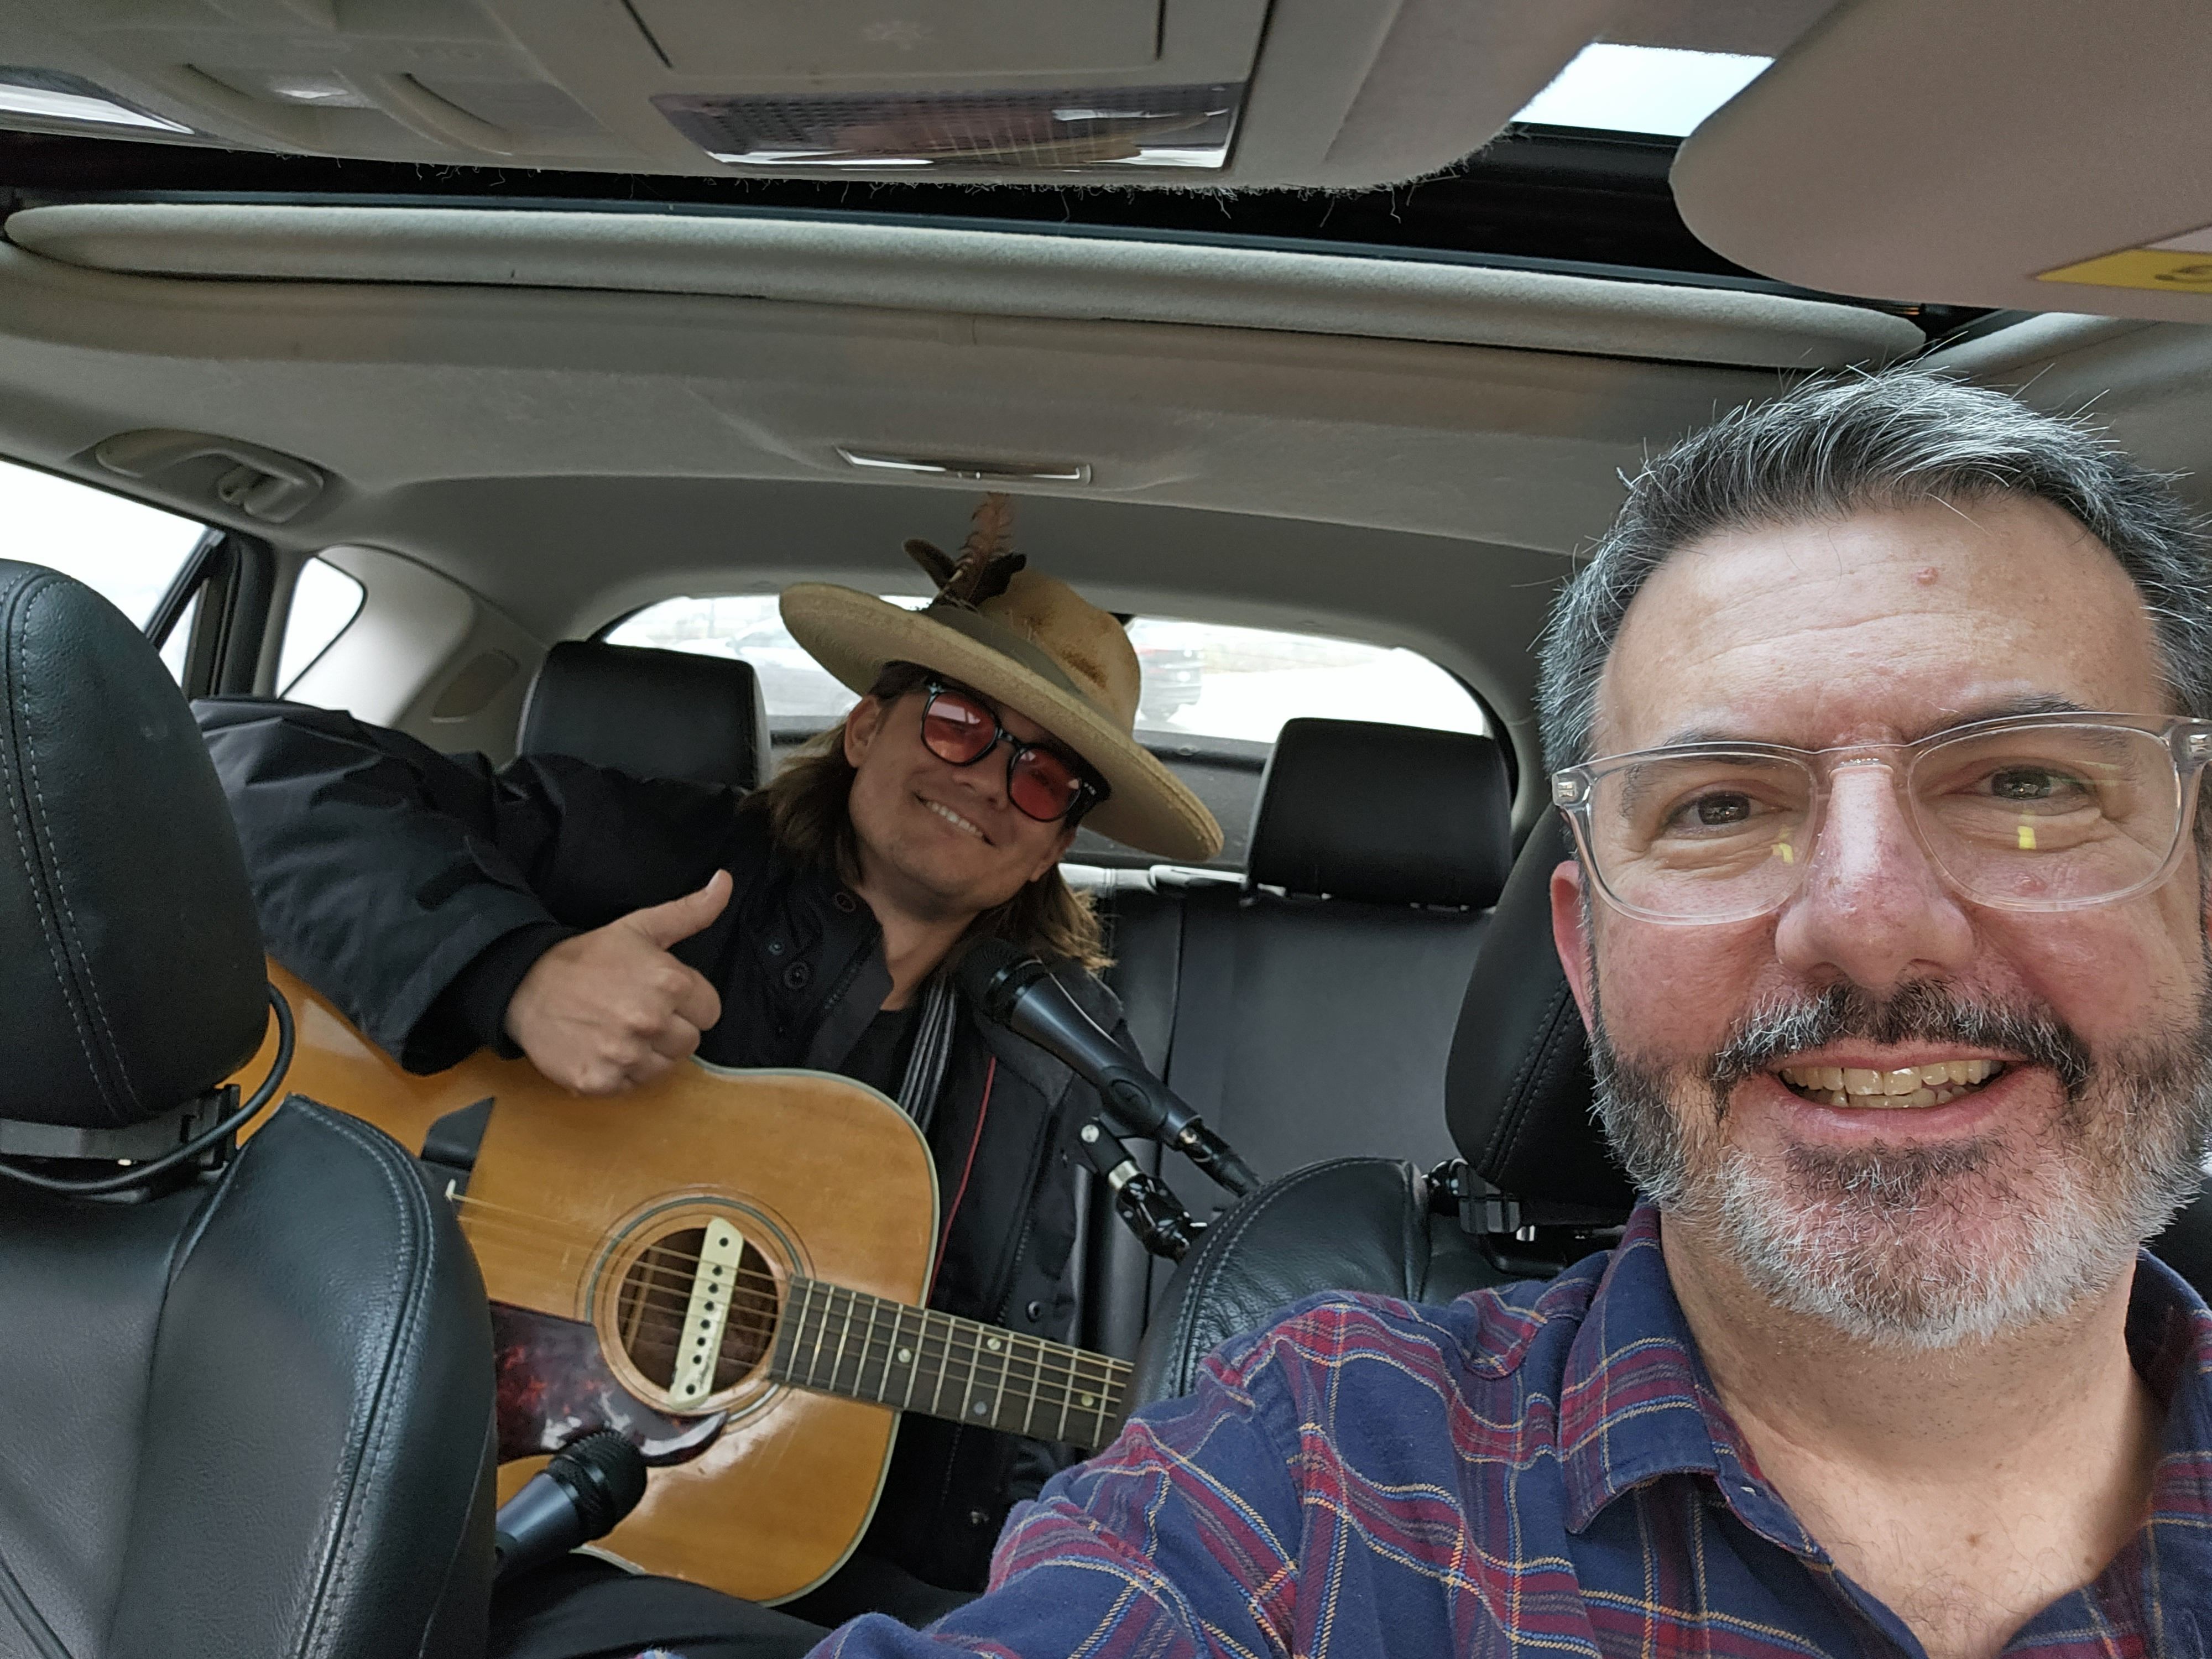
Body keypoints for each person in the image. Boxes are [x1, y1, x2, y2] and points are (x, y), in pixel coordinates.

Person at [778, 372, 2212, 1659]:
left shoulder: (1059, 1063)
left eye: (2024, 782)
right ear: (1585, 965)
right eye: (1723, 806)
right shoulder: (1320, 1459)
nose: (1868, 915)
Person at [195, 497, 1223, 1650]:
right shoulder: (655, 856)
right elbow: (213, 760)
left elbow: (984, 1390)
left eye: (1044, 779)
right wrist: (510, 971)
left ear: (1057, 841)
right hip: (367, 1414)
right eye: (956, 723)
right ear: (864, 728)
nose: (989, 780)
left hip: (696, 1534)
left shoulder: (1049, 1050)